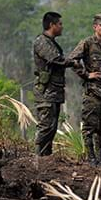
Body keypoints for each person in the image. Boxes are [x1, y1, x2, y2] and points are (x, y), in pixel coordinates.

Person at [68, 13, 101, 166]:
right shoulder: (87, 43)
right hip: (92, 92)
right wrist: (86, 74)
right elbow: (72, 59)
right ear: (95, 27)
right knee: (89, 125)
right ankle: (90, 158)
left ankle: (100, 158)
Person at [32, 11, 77, 156]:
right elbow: (55, 59)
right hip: (46, 93)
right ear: (52, 25)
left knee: (52, 127)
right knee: (45, 126)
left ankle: (45, 158)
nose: (62, 27)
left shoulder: (52, 43)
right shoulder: (41, 42)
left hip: (54, 92)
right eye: (60, 24)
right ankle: (37, 158)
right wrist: (73, 62)